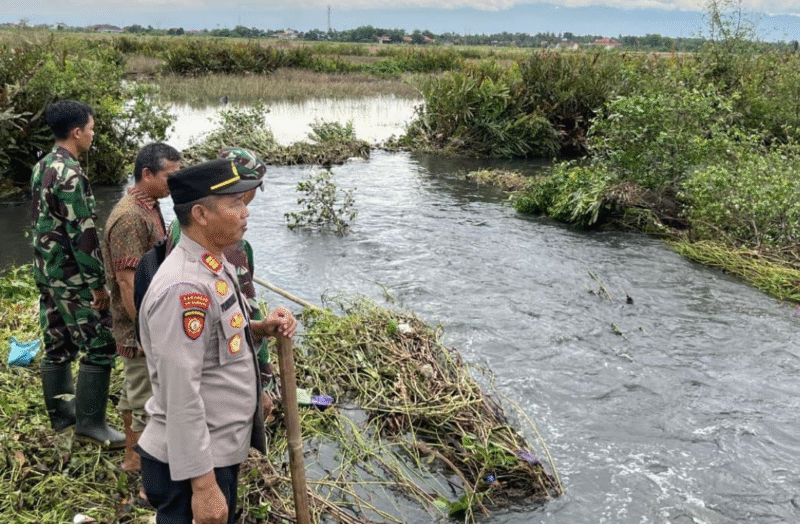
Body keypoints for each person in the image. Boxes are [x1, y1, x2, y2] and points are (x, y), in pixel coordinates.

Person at [136, 158, 297, 524]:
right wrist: (205, 488)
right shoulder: (184, 288)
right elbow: (181, 393)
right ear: (201, 215)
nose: (245, 213)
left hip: (213, 451)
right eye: (235, 205)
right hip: (192, 465)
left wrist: (259, 328)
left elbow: (213, 340)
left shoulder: (213, 263)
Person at [30, 99, 124, 447]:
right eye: (92, 128)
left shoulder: (42, 166)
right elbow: (82, 234)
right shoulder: (71, 173)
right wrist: (98, 285)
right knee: (101, 344)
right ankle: (90, 425)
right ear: (77, 131)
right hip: (71, 275)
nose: (92, 135)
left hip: (47, 270)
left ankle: (62, 415)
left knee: (57, 342)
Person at [167, 147, 278, 412]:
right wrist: (262, 382)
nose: (247, 205)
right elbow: (244, 318)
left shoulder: (182, 224)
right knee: (277, 403)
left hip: (193, 362)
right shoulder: (231, 246)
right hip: (224, 373)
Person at [102, 143, 181, 472]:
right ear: (147, 174)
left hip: (146, 318)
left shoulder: (150, 206)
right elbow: (127, 282)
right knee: (144, 394)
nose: (174, 183)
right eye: (169, 176)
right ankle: (138, 464)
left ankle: (134, 457)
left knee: (135, 390)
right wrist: (148, 331)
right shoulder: (130, 217)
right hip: (136, 324)